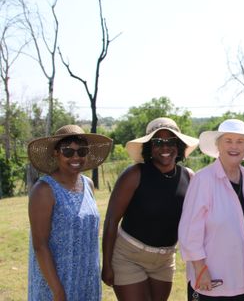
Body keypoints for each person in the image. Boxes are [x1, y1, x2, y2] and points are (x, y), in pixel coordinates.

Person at [101, 117, 199, 301]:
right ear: (149, 147)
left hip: (164, 260)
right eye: (158, 142)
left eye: (171, 142)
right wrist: (106, 264)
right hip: (129, 256)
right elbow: (111, 220)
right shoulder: (134, 175)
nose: (165, 147)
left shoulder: (189, 177)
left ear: (178, 146)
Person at [178, 118, 244, 300]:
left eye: (240, 141)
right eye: (228, 141)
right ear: (218, 146)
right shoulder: (203, 180)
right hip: (213, 276)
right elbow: (190, 231)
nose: (234, 146)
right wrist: (200, 269)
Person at [27, 125, 113, 300]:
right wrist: (57, 290)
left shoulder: (88, 184)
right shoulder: (44, 190)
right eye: (68, 151)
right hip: (56, 280)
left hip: (86, 278)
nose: (75, 157)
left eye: (81, 151)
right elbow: (40, 244)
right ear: (56, 153)